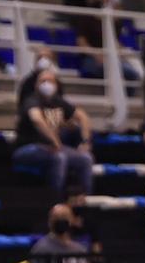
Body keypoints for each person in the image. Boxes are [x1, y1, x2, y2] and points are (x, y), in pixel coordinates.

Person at [14, 61, 96, 196]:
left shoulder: (58, 102)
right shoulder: (32, 100)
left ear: (56, 85)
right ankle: (54, 199)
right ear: (36, 85)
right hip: (28, 147)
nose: (46, 84)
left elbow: (83, 117)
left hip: (54, 148)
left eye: (50, 81)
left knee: (86, 158)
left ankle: (84, 199)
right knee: (59, 157)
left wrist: (85, 142)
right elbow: (36, 119)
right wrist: (55, 140)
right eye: (43, 81)